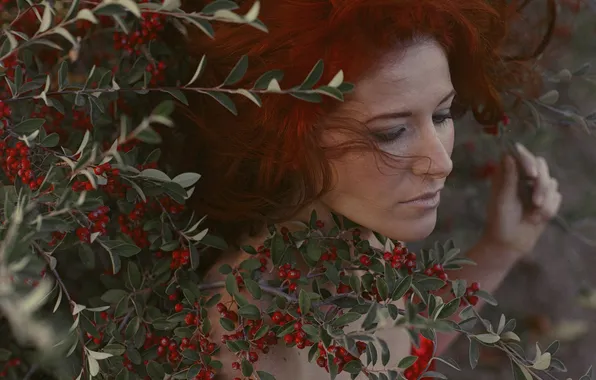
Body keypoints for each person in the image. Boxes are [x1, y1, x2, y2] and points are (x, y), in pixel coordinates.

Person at [165, 0, 560, 378]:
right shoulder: (243, 331)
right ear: (293, 138)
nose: (441, 163)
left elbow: (400, 353)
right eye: (392, 133)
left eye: (441, 115)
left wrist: (500, 248)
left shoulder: (360, 242)